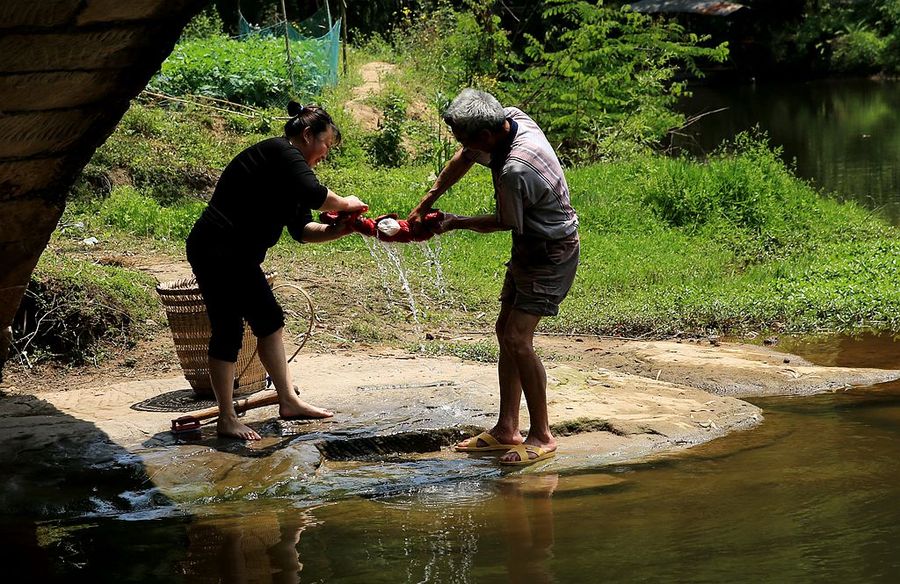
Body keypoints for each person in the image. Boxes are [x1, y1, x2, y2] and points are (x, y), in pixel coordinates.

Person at [408, 89, 579, 465]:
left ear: (486, 135)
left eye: (465, 138)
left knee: (519, 339)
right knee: (505, 331)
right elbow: (465, 156)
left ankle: (542, 436)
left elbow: (506, 221)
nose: (462, 146)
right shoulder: (509, 116)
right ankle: (507, 429)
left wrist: (453, 223)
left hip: (552, 252)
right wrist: (427, 201)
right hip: (529, 246)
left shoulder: (516, 168)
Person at [186, 101, 367, 440]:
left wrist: (344, 229)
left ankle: (287, 399)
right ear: (307, 134)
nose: (326, 153)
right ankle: (227, 417)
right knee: (228, 330)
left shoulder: (292, 175)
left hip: (238, 255)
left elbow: (302, 231)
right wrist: (346, 203)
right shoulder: (280, 152)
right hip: (217, 247)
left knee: (269, 320)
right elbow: (317, 195)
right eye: (326, 144)